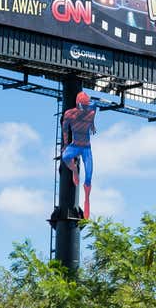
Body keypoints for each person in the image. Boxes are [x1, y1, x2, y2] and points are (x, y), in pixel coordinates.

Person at [61, 91, 98, 219]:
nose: (87, 109)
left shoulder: (91, 110)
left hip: (86, 147)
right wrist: (66, 145)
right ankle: (74, 170)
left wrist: (92, 123)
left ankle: (87, 199)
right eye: (84, 106)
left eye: (88, 106)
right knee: (65, 157)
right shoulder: (69, 114)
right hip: (76, 145)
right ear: (78, 105)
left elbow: (95, 106)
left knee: (89, 176)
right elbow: (65, 129)